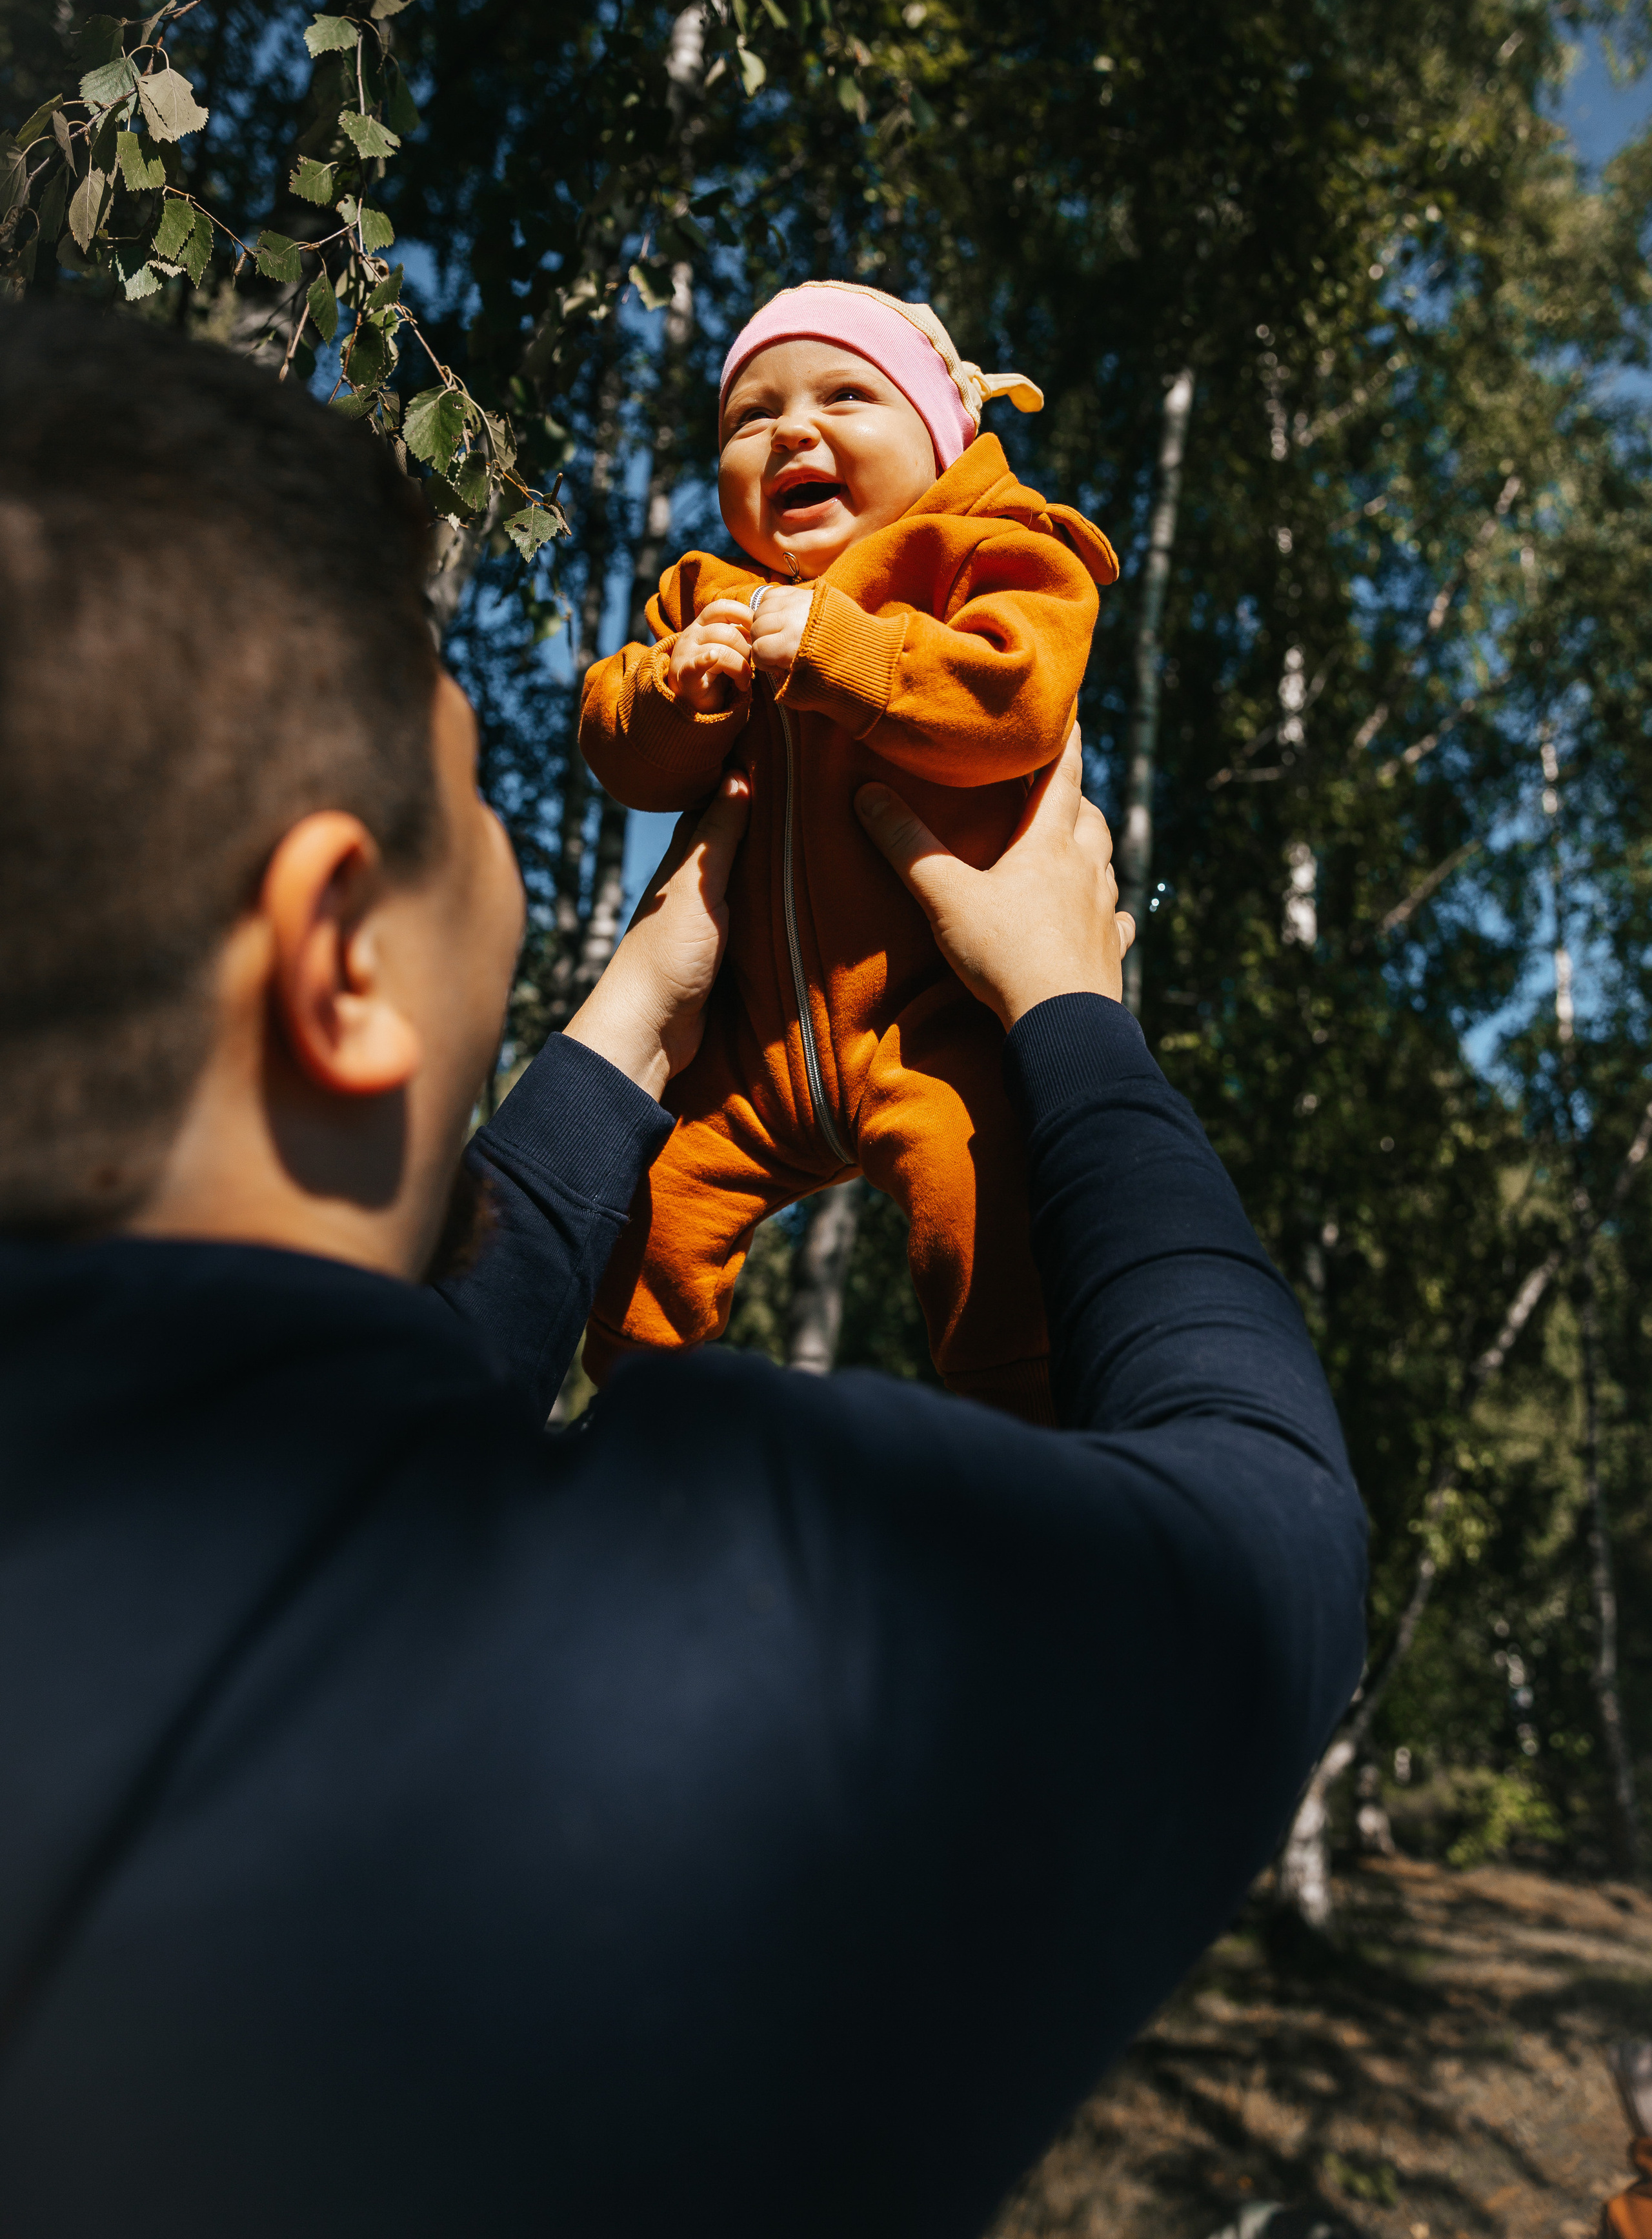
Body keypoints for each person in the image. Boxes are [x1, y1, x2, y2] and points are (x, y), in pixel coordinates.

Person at [0, 304, 1366, 2239]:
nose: (792, 439)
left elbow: (385, 1396)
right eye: (470, 796)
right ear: (340, 960)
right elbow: (1278, 1534)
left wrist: (630, 1019)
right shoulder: (761, 1626)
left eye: (841, 399)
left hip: (874, 1048)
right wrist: (1075, 1004)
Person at [579, 281, 1119, 1421]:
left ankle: (1032, 1436)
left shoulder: (992, 555)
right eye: (748, 417)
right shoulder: (704, 599)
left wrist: (845, 650)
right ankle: (632, 1429)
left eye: (844, 395)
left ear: (941, 434)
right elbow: (621, 754)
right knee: (647, 1217)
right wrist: (678, 697)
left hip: (935, 1017)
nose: (791, 432)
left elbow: (1016, 699)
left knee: (994, 1209)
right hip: (749, 1045)